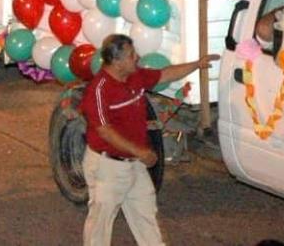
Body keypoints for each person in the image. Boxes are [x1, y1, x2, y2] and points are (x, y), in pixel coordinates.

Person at [81, 34, 218, 246]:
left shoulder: (134, 77)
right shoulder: (99, 90)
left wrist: (197, 64)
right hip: (107, 166)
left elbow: (164, 74)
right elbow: (104, 131)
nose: (137, 57)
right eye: (131, 55)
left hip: (134, 163)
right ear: (116, 62)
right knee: (101, 223)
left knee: (146, 213)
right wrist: (141, 152)